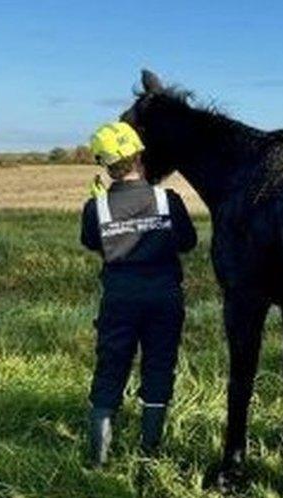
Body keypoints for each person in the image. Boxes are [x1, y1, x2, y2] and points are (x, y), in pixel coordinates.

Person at [80, 121, 198, 467]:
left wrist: (104, 211)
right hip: (164, 297)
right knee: (160, 367)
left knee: (110, 367)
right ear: (140, 155)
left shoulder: (95, 208)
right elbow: (188, 243)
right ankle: (149, 454)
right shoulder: (167, 200)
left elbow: (91, 242)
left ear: (106, 166)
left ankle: (98, 462)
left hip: (119, 299)